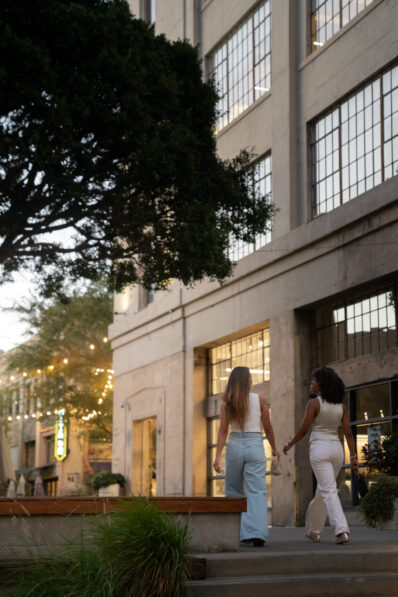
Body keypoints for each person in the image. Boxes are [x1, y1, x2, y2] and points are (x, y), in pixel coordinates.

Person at [283, 367, 359, 544]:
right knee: (323, 491)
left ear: (321, 385)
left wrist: (289, 444)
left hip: (319, 449)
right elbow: (348, 433)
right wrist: (353, 458)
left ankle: (341, 530)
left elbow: (303, 430)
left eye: (313, 381)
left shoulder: (314, 404)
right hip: (337, 451)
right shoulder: (341, 407)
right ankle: (313, 531)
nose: (310, 383)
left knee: (328, 490)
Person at [213, 366, 280, 546]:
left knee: (234, 491)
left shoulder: (227, 404)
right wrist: (274, 449)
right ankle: (257, 532)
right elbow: (268, 428)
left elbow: (222, 431)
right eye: (250, 378)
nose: (252, 380)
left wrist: (217, 456)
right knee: (257, 490)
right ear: (248, 381)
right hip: (255, 445)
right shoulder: (260, 400)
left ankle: (238, 533)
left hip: (234, 444)